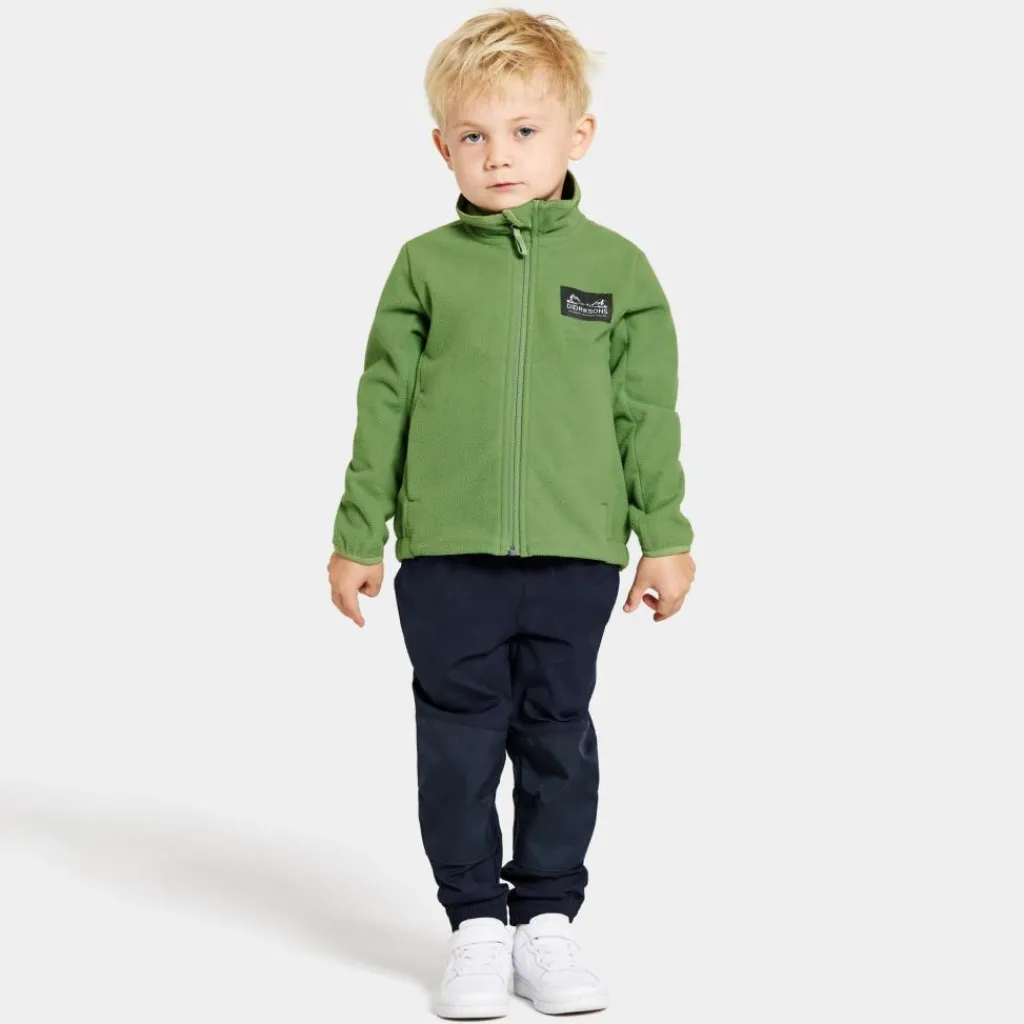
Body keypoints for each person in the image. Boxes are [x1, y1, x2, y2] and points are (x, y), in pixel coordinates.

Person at [327, 8, 696, 1018]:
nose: (498, 156)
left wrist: (664, 535)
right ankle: (475, 928)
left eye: (525, 130)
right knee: (456, 742)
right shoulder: (425, 265)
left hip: (576, 555)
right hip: (447, 558)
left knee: (555, 736)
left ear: (578, 135)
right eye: (474, 135)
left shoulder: (617, 270)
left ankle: (545, 919)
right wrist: (358, 534)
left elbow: (646, 413)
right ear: (441, 146)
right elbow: (383, 404)